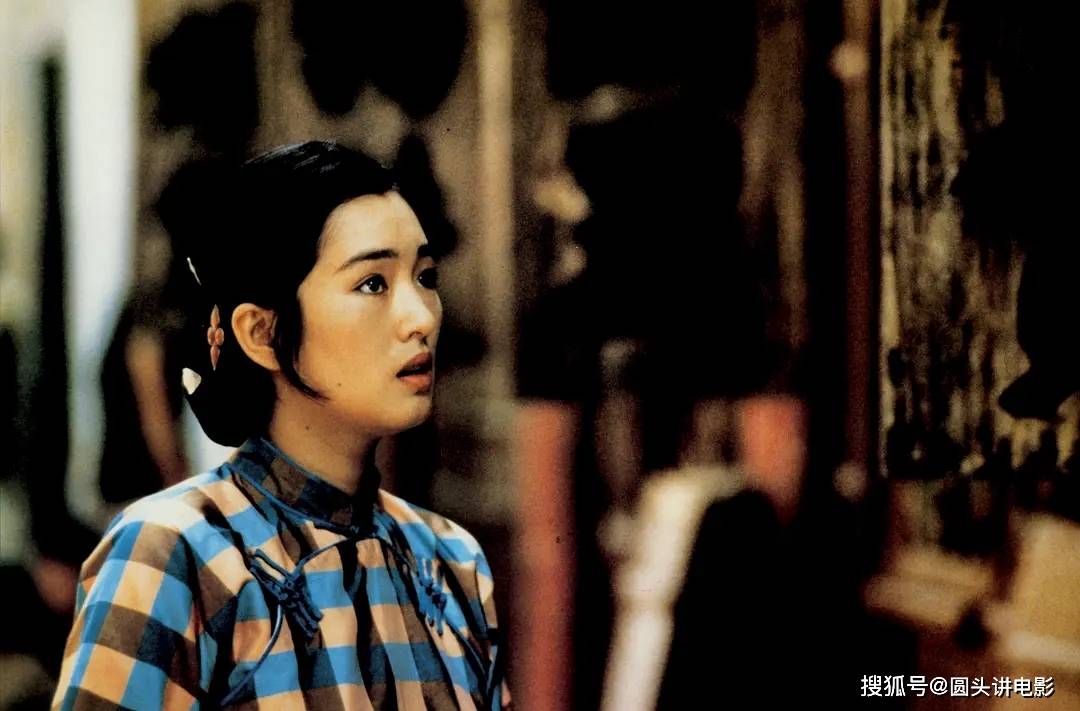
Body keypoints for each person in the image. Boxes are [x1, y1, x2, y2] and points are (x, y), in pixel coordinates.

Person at [53, 141, 510, 710]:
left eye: (426, 275)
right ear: (261, 333)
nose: (421, 316)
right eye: (372, 283)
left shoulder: (452, 563)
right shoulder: (173, 554)